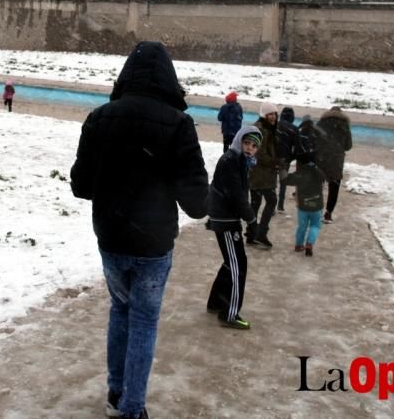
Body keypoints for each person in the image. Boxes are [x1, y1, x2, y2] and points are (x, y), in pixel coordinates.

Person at [70, 41, 208, 419]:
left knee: (120, 310)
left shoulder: (100, 118)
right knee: (144, 319)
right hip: (153, 244)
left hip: (111, 238)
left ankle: (116, 390)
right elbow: (196, 203)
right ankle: (133, 407)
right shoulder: (179, 124)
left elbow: (81, 186)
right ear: (168, 78)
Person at [206, 125, 261, 330]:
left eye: (254, 146)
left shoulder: (240, 160)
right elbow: (236, 194)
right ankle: (229, 313)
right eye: (247, 143)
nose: (249, 148)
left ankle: (215, 302)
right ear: (239, 141)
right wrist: (252, 220)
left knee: (231, 262)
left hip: (226, 217)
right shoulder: (232, 160)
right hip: (226, 220)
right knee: (238, 265)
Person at [286, 125, 326, 256]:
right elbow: (323, 178)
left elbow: (286, 180)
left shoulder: (300, 173)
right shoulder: (318, 173)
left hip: (303, 205)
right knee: (315, 226)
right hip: (316, 204)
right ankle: (309, 243)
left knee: (302, 227)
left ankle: (298, 245)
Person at [246, 102, 279, 248]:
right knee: (271, 200)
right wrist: (275, 162)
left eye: (274, 114)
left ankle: (251, 234)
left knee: (255, 203)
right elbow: (258, 153)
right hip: (261, 173)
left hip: (257, 173)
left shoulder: (265, 128)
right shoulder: (261, 129)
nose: (273, 117)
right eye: (270, 114)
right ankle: (260, 233)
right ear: (264, 115)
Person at [316, 106, 353, 223]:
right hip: (336, 160)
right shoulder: (345, 125)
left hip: (321, 158)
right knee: (334, 187)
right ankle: (328, 214)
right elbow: (348, 146)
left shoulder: (321, 123)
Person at [276, 106, 299, 212]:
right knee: (283, 182)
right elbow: (297, 147)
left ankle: (271, 206)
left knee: (272, 182)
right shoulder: (294, 129)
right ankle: (280, 205)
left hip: (273, 158)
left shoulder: (274, 125)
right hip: (285, 159)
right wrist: (290, 158)